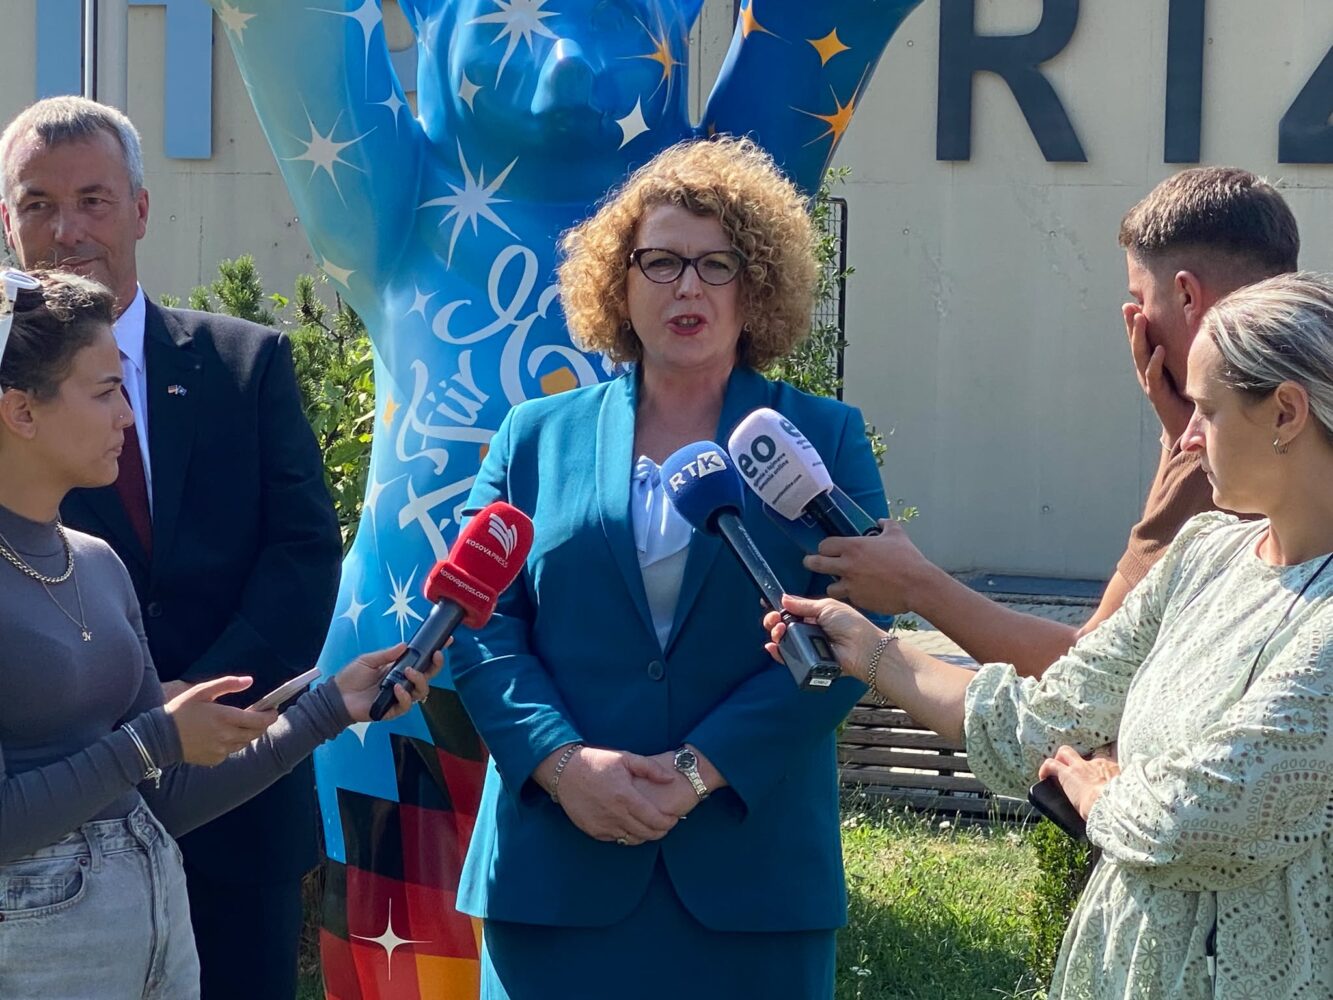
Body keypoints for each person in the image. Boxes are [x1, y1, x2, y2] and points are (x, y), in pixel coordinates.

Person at [769, 271, 1333, 999]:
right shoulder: (1203, 555)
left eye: (1207, 410)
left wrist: (1100, 796)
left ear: (1286, 412)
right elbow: (1043, 720)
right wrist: (867, 650)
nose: (1187, 438)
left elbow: (1200, 815)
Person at [447, 135, 889, 1000]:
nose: (688, 287)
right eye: (660, 261)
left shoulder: (823, 437)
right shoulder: (532, 438)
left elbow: (861, 631)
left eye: (717, 264)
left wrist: (696, 770)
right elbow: (478, 625)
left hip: (749, 882)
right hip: (556, 874)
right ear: (618, 281)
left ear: (756, 285)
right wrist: (561, 764)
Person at [0, 268, 436, 1000]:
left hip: (157, 946)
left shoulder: (97, 564)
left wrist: (330, 708)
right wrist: (151, 741)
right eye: (104, 392)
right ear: (21, 411)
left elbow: (165, 797)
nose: (128, 416)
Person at [0, 96, 343, 999]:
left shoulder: (245, 362)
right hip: (43, 881)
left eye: (93, 200)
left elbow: (304, 552)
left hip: (237, 801)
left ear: (142, 209)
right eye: (39, 204)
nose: (67, 230)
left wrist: (203, 705)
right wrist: (153, 731)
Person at [809, 167, 1300, 677]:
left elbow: (1087, 670)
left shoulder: (1226, 459)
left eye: (1140, 300)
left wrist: (912, 590)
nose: (1134, 322)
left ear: (1187, 297)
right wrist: (1177, 432)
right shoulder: (1284, 412)